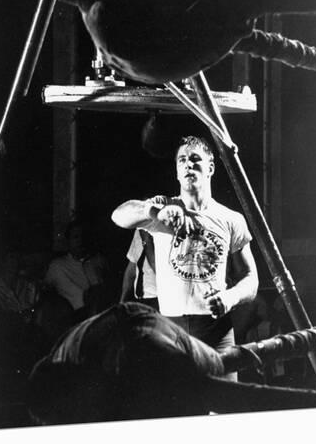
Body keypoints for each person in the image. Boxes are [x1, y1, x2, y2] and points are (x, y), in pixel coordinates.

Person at [27, 302, 316, 425]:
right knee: (218, 364)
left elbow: (233, 397)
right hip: (134, 328)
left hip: (141, 339)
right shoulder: (59, 358)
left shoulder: (125, 361)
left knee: (212, 383)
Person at [111, 136, 259, 366]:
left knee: (224, 399)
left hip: (215, 330)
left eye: (195, 158)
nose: (188, 164)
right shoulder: (163, 209)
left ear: (210, 168)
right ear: (177, 172)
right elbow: (118, 215)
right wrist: (153, 212)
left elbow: (251, 279)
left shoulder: (231, 219)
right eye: (182, 160)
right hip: (171, 327)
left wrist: (229, 298)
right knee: (173, 400)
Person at [43, 219, 110, 322]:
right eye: (75, 237)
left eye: (83, 237)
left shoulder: (98, 260)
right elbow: (45, 290)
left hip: (102, 315)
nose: (80, 241)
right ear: (68, 241)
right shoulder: (57, 266)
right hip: (75, 319)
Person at [120, 228, 159, 310]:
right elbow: (132, 268)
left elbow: (155, 265)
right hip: (140, 299)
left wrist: (146, 240)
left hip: (159, 298)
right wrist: (122, 301)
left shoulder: (163, 232)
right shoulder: (139, 232)